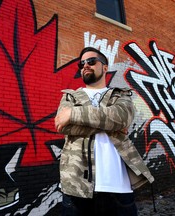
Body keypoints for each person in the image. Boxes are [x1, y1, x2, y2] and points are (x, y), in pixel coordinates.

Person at [55, 47, 154, 216]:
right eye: (82, 63)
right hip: (76, 187)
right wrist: (109, 123)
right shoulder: (70, 97)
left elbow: (121, 118)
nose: (85, 65)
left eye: (91, 61)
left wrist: (73, 113)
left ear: (105, 67)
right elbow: (64, 127)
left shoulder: (120, 95)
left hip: (118, 189)